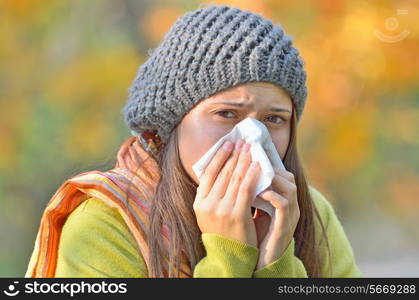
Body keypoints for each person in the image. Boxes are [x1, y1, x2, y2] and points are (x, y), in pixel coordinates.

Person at [25, 4, 362, 278]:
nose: (253, 137)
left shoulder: (308, 211)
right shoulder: (104, 224)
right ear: (171, 123)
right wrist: (228, 256)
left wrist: (277, 261)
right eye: (227, 114)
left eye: (274, 119)